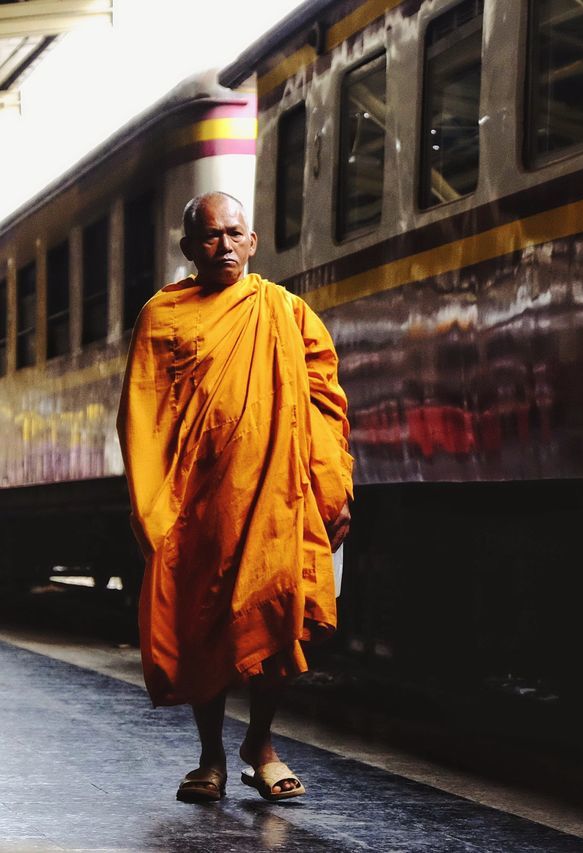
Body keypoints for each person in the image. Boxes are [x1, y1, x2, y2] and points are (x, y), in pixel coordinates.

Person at [117, 192, 353, 803]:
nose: (223, 245)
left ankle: (263, 745)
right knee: (204, 627)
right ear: (190, 248)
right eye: (210, 236)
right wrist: (154, 509)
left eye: (234, 234)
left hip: (277, 496)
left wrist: (333, 488)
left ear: (252, 243)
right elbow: (143, 415)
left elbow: (326, 406)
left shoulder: (288, 312)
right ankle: (211, 756)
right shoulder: (163, 317)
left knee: (276, 618)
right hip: (198, 507)